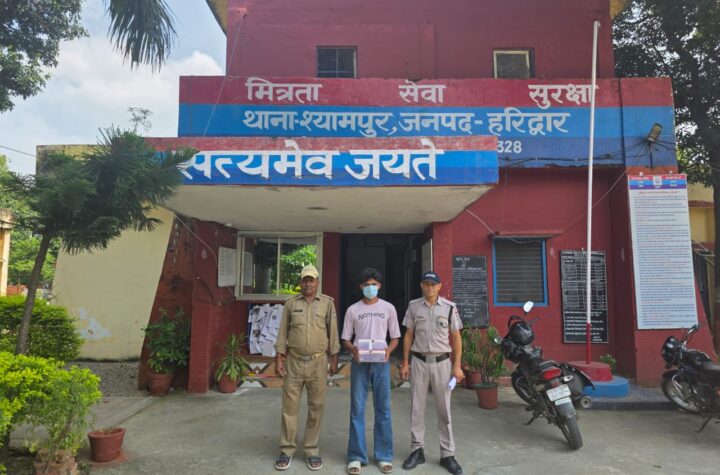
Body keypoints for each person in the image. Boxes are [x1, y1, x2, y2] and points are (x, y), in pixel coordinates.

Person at [274, 264, 340, 471]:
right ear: (300, 282)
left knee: (316, 407)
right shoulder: (291, 304)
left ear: (317, 282)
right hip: (294, 362)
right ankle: (287, 450)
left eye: (311, 280)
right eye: (305, 280)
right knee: (289, 408)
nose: (308, 283)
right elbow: (282, 332)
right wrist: (279, 357)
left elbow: (333, 332)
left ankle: (311, 450)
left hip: (318, 362)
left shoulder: (327, 304)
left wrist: (334, 358)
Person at [399, 271, 464, 475]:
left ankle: (447, 454)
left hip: (442, 363)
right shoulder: (414, 306)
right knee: (417, 409)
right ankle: (417, 450)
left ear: (439, 286)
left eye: (433, 284)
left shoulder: (449, 308)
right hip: (419, 362)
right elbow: (408, 334)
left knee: (444, 410)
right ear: (421, 285)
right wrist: (405, 362)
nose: (429, 287)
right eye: (426, 284)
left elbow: (456, 337)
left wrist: (457, 366)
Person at [341, 268, 401, 475]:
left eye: (374, 284)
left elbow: (395, 337)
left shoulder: (388, 308)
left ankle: (384, 455)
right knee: (357, 409)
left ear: (379, 286)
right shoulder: (353, 310)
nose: (370, 288)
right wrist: (353, 350)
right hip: (360, 363)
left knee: (383, 409)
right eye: (366, 285)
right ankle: (356, 456)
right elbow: (346, 339)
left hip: (381, 363)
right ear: (360, 287)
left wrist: (389, 351)